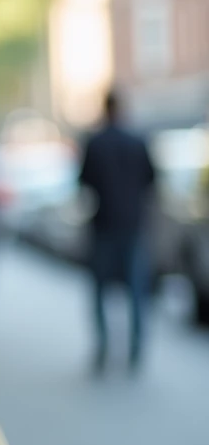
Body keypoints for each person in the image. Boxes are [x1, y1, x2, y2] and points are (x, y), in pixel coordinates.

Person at [78, 90, 156, 373]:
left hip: (104, 226)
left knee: (100, 290)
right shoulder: (138, 141)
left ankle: (103, 346)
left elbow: (83, 181)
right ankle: (136, 348)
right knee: (136, 290)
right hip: (133, 226)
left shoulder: (95, 142)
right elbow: (152, 180)